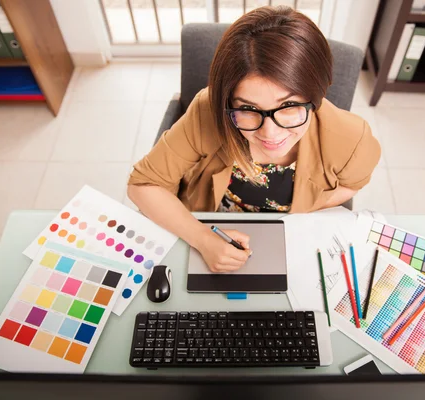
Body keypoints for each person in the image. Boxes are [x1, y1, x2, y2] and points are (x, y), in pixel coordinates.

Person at [127, 6, 381, 273]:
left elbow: (353, 185)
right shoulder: (207, 111)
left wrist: (301, 213)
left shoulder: (353, 137)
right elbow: (143, 184)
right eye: (248, 109)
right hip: (213, 225)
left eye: (289, 106)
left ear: (315, 96)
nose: (269, 134)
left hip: (293, 237)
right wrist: (203, 239)